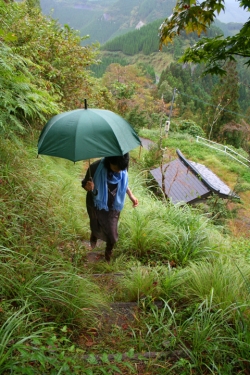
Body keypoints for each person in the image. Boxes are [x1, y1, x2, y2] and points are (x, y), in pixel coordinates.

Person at [82, 153, 138, 262]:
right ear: (109, 161)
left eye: (121, 169)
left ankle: (108, 253)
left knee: (112, 234)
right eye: (116, 168)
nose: (119, 172)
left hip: (113, 204)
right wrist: (87, 186)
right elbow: (84, 183)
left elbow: (124, 183)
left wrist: (131, 195)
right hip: (97, 203)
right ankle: (94, 234)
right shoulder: (95, 167)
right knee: (96, 223)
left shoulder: (122, 166)